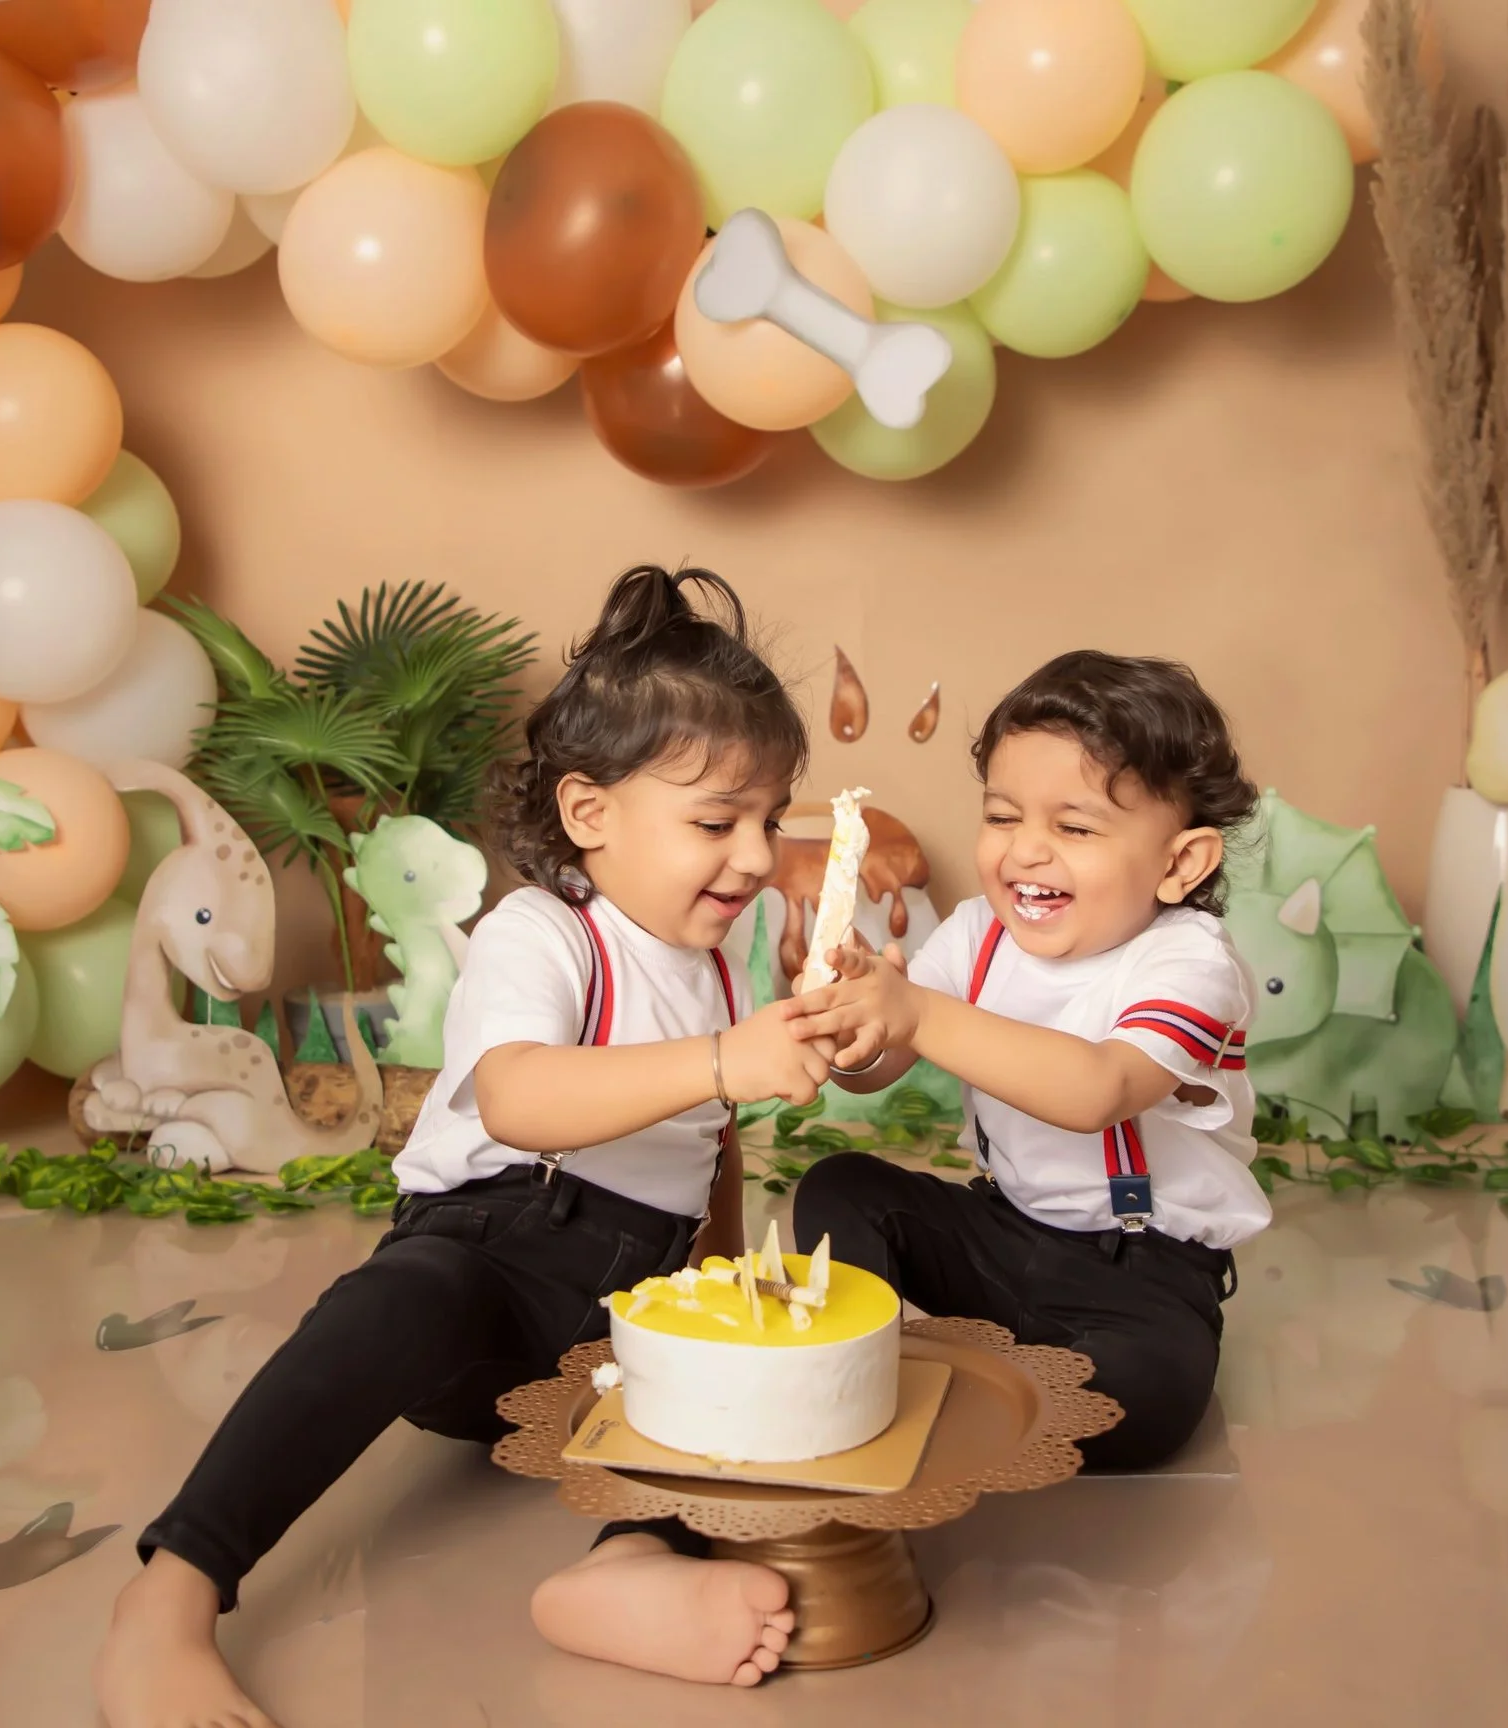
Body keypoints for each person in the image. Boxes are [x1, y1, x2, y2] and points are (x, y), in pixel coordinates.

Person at [96, 566, 830, 1728]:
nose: (752, 856)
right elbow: (518, 1097)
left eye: (767, 820)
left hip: (624, 1299)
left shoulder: (707, 968)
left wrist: (725, 1282)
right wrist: (724, 1061)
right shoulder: (544, 932)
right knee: (393, 1305)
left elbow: (711, 1143)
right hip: (495, 1248)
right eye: (715, 822)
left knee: (725, 1393)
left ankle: (622, 1563)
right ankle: (175, 1591)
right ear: (591, 814)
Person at [785, 650, 1266, 1470]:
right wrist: (852, 1022)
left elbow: (1097, 1090)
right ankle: (855, 1373)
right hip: (1005, 1231)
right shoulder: (978, 933)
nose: (1026, 852)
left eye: (1074, 828)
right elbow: (878, 1069)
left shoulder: (1190, 963)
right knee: (842, 1190)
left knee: (1144, 1396)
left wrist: (918, 1012)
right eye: (1003, 817)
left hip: (1140, 1265)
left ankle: (993, 1387)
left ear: (1179, 864)